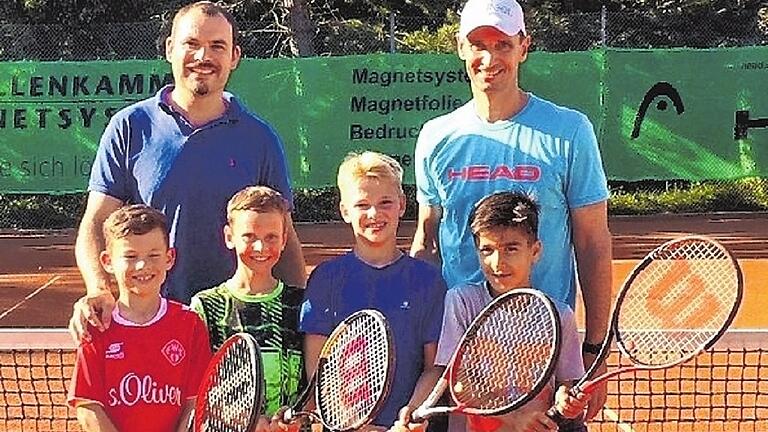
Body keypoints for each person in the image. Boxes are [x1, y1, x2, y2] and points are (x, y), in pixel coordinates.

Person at [408, 0, 612, 419]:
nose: (489, 57)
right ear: (461, 48)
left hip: (545, 354)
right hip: (462, 358)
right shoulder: (435, 137)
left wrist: (594, 347)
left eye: (502, 44)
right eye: (477, 44)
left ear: (524, 47)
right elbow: (426, 242)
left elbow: (593, 242)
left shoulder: (570, 131)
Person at [70, 1, 307, 341]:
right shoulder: (129, 126)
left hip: (236, 331)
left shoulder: (261, 138)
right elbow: (96, 223)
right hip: (151, 325)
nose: (203, 56)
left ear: (235, 57)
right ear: (170, 49)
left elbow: (283, 236)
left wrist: (298, 317)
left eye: (217, 46)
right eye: (192, 44)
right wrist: (97, 289)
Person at [300, 151, 447, 429]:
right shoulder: (326, 279)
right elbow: (318, 373)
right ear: (345, 211)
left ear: (402, 205)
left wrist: (411, 414)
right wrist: (353, 424)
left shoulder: (428, 281)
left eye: (385, 203)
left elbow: (434, 367)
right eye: (362, 205)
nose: (374, 214)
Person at [435, 191, 587, 432]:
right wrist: (513, 420)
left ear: (535, 251)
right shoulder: (462, 302)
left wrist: (566, 402)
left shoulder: (560, 316)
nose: (497, 262)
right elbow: (458, 383)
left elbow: (565, 384)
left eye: (511, 249)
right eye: (487, 250)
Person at [68, 204, 212, 432]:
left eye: (154, 255)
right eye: (130, 256)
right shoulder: (97, 325)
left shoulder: (189, 323)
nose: (143, 265)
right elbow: (88, 407)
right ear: (107, 261)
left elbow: (194, 403)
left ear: (169, 258)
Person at [190, 186, 303, 431]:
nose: (261, 247)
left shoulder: (302, 304)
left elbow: (313, 383)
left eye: (271, 237)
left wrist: (293, 418)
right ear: (229, 237)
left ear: (284, 240)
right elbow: (194, 389)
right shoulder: (205, 307)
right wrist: (245, 419)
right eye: (249, 236)